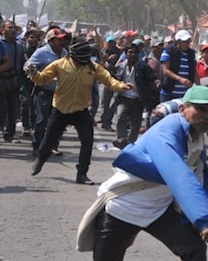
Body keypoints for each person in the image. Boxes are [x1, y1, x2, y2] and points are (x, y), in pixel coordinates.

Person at [57, 85, 208, 261]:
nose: (206, 116)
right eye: (200, 109)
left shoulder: (196, 138)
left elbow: (198, 177)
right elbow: (179, 175)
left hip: (159, 210)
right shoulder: (165, 132)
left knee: (193, 248)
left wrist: (193, 221)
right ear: (182, 109)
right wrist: (205, 219)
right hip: (124, 208)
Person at [29, 40, 134, 185]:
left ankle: (82, 174)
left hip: (81, 110)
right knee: (49, 140)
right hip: (60, 109)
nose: (83, 61)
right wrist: (34, 74)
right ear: (73, 56)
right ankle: (40, 160)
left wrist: (122, 86)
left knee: (87, 141)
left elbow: (109, 80)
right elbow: (42, 79)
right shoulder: (59, 64)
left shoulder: (93, 67)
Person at [24, 28, 69, 156]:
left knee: (57, 121)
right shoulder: (41, 52)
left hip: (60, 93)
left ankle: (53, 145)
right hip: (44, 92)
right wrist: (31, 70)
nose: (62, 42)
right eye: (59, 39)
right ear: (50, 41)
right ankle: (37, 146)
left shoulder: (65, 53)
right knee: (42, 120)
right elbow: (28, 65)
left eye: (63, 39)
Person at [112, 41, 159, 148]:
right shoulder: (121, 66)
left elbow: (151, 77)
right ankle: (121, 139)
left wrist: (156, 82)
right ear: (126, 54)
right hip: (124, 97)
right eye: (130, 52)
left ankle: (130, 143)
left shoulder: (143, 66)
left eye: (135, 53)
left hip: (138, 99)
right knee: (120, 118)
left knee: (135, 124)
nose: (133, 55)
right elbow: (113, 77)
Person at [0, 20, 25, 142]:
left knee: (13, 108)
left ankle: (10, 133)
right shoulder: (0, 44)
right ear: (2, 30)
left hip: (15, 80)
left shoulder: (19, 46)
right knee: (2, 108)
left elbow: (22, 63)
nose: (13, 30)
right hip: (1, 80)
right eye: (10, 27)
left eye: (14, 28)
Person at [159, 30, 198, 101]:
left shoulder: (191, 54)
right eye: (185, 42)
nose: (187, 44)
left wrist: (199, 87)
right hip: (168, 93)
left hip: (185, 94)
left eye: (188, 41)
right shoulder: (168, 51)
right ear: (178, 42)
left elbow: (194, 71)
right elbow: (165, 70)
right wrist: (180, 79)